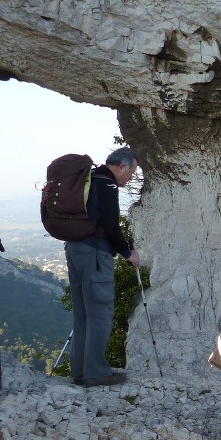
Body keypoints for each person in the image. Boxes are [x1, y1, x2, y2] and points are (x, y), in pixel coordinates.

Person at [65, 147, 140, 387]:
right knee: (100, 313)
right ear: (121, 166)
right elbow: (111, 224)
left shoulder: (89, 179)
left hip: (74, 248)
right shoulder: (106, 185)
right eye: (131, 173)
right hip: (95, 253)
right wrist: (127, 251)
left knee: (82, 313)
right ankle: (96, 372)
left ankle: (80, 370)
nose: (130, 179)